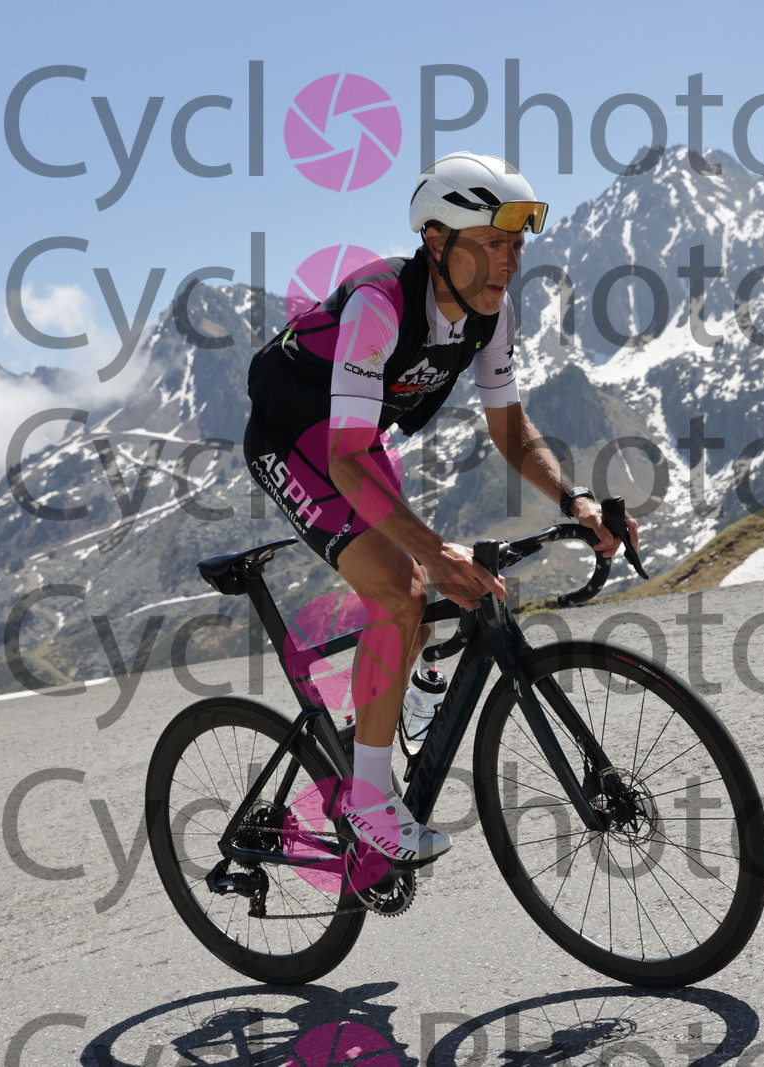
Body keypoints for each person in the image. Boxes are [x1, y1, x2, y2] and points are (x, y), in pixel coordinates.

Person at [244, 151, 639, 866]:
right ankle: (367, 797)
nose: (507, 263)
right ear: (435, 240)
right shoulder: (379, 306)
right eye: (489, 243)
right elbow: (343, 461)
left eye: (514, 245)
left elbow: (511, 430)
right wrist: (431, 553)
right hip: (297, 440)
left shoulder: (491, 313)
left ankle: (406, 694)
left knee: (429, 585)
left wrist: (575, 499)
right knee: (403, 588)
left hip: (355, 437)